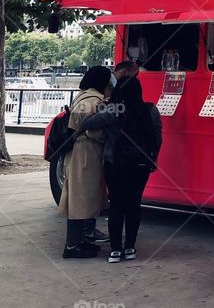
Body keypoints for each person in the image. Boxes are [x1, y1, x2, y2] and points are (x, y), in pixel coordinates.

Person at [76, 76, 162, 263]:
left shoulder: (113, 110)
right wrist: (153, 160)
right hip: (140, 166)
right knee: (133, 205)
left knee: (116, 205)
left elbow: (86, 124)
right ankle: (130, 247)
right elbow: (157, 137)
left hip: (114, 164)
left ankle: (115, 250)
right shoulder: (150, 110)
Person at [59, 66, 111, 258]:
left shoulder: (81, 96)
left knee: (80, 198)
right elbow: (94, 131)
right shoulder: (94, 101)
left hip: (78, 152)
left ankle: (80, 242)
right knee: (81, 200)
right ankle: (72, 246)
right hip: (88, 154)